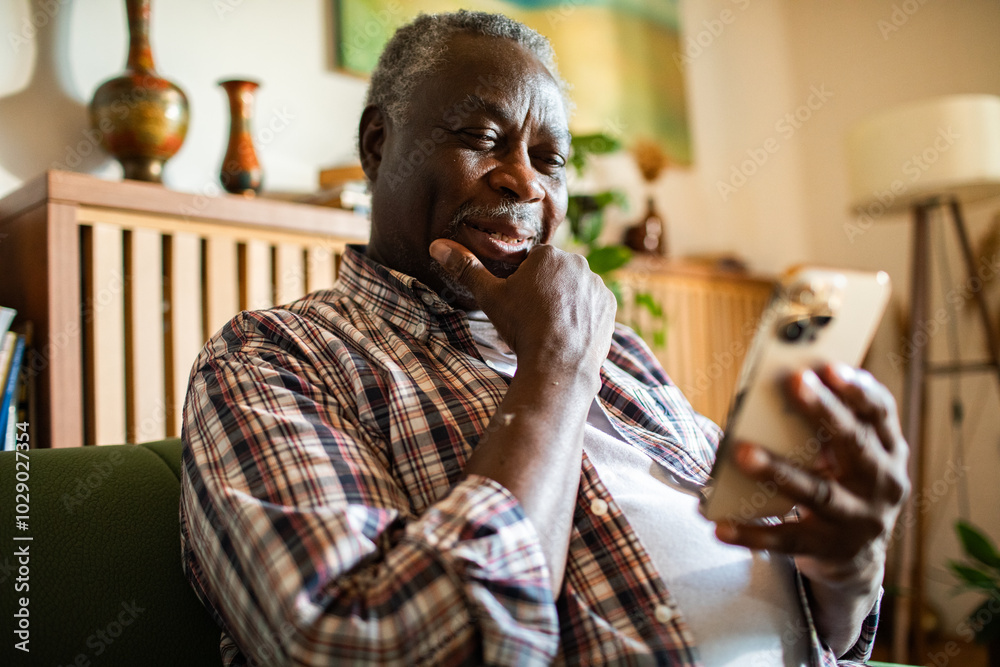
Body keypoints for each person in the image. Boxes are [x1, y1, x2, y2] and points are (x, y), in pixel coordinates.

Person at [180, 10, 909, 666]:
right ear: (379, 145)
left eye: (550, 159)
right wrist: (555, 365)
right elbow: (367, 643)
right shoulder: (277, 355)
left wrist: (845, 575)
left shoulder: (619, 352)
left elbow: (814, 615)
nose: (525, 181)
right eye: (481, 138)